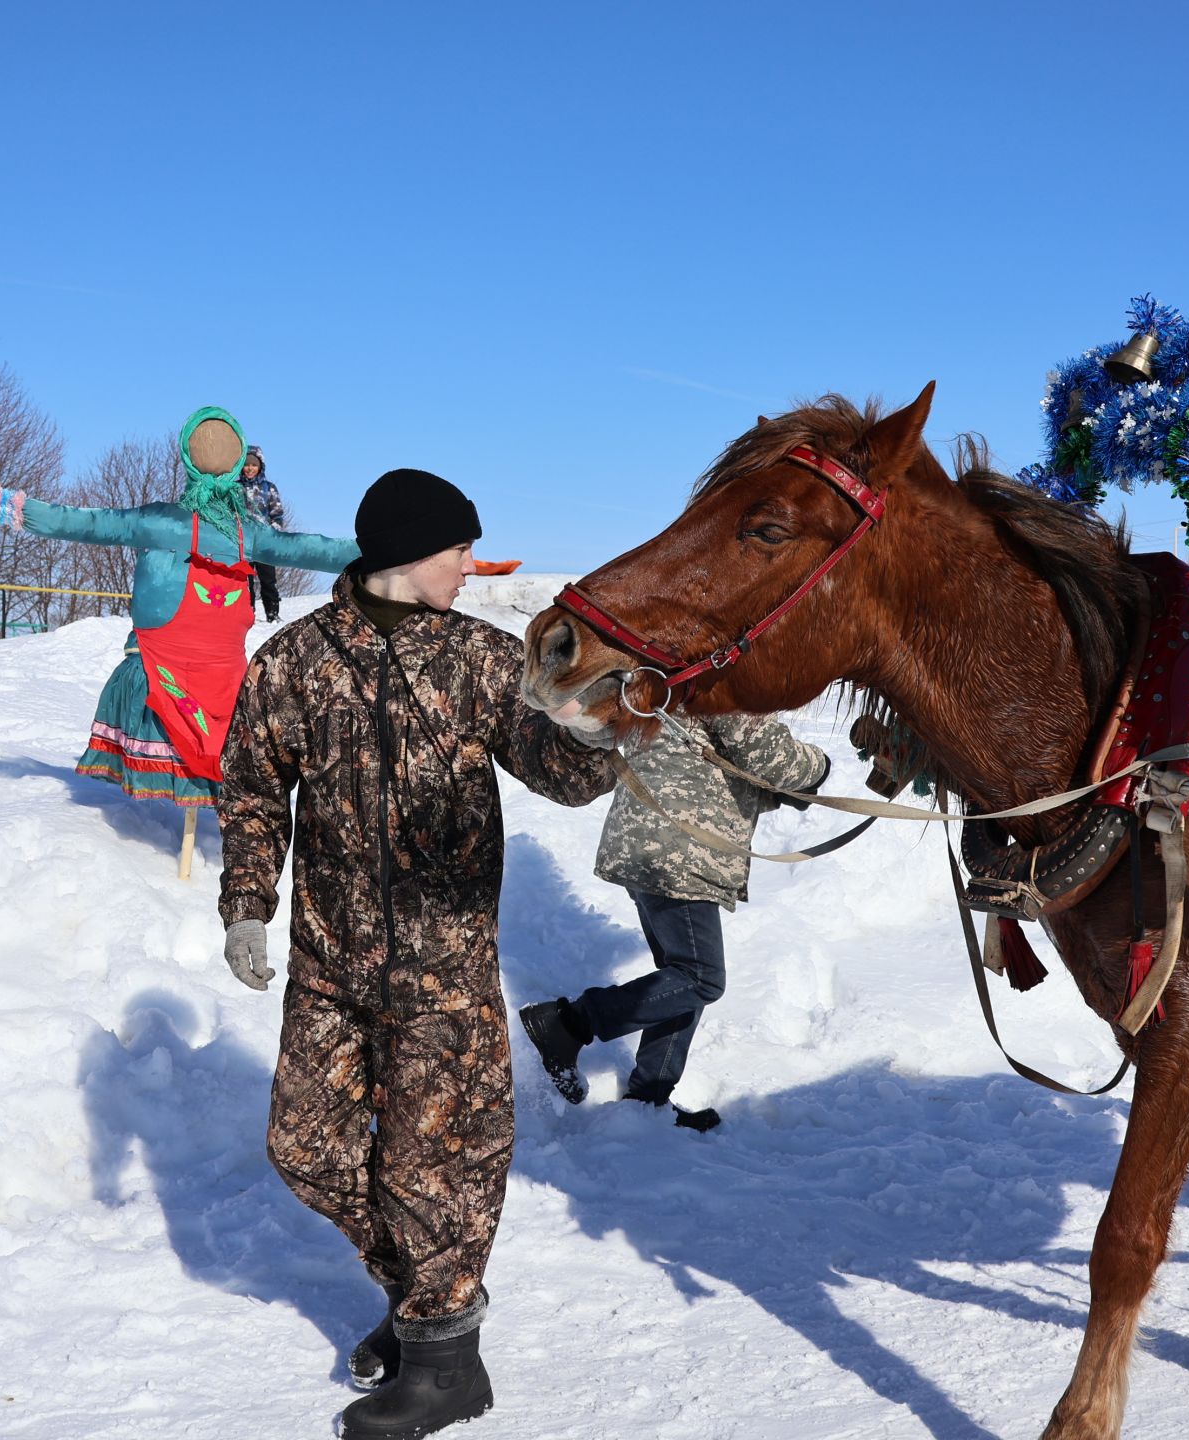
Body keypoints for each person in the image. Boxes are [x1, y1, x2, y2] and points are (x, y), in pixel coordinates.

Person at [216, 468, 615, 1440]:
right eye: (457, 550)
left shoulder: (480, 659)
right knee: (302, 1146)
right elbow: (255, 789)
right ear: (404, 552)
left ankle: (445, 1361)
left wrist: (613, 721)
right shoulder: (296, 661)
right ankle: (423, 1297)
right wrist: (246, 907)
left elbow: (562, 775)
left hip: (443, 972)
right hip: (330, 965)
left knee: (438, 1163)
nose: (470, 567)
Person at [0, 408, 356, 809]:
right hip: (207, 667)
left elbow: (86, 522)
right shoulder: (244, 532)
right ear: (237, 464)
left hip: (177, 659)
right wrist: (381, 548)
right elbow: (312, 549)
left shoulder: (164, 521)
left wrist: (16, 507)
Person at [519, 712, 827, 1132]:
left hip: (653, 842)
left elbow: (720, 762)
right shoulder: (730, 678)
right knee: (701, 978)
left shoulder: (676, 674)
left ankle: (647, 1101)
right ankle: (569, 1023)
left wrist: (783, 791)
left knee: (680, 981)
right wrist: (818, 766)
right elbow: (765, 752)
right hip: (677, 852)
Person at [238, 444, 288, 622]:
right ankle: (247, 613)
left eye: (253, 465)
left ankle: (272, 613)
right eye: (246, 465)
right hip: (242, 542)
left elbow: (277, 514)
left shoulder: (269, 488)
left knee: (268, 579)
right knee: (244, 581)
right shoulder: (234, 488)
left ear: (260, 467)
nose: (250, 468)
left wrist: (273, 533)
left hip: (265, 542)